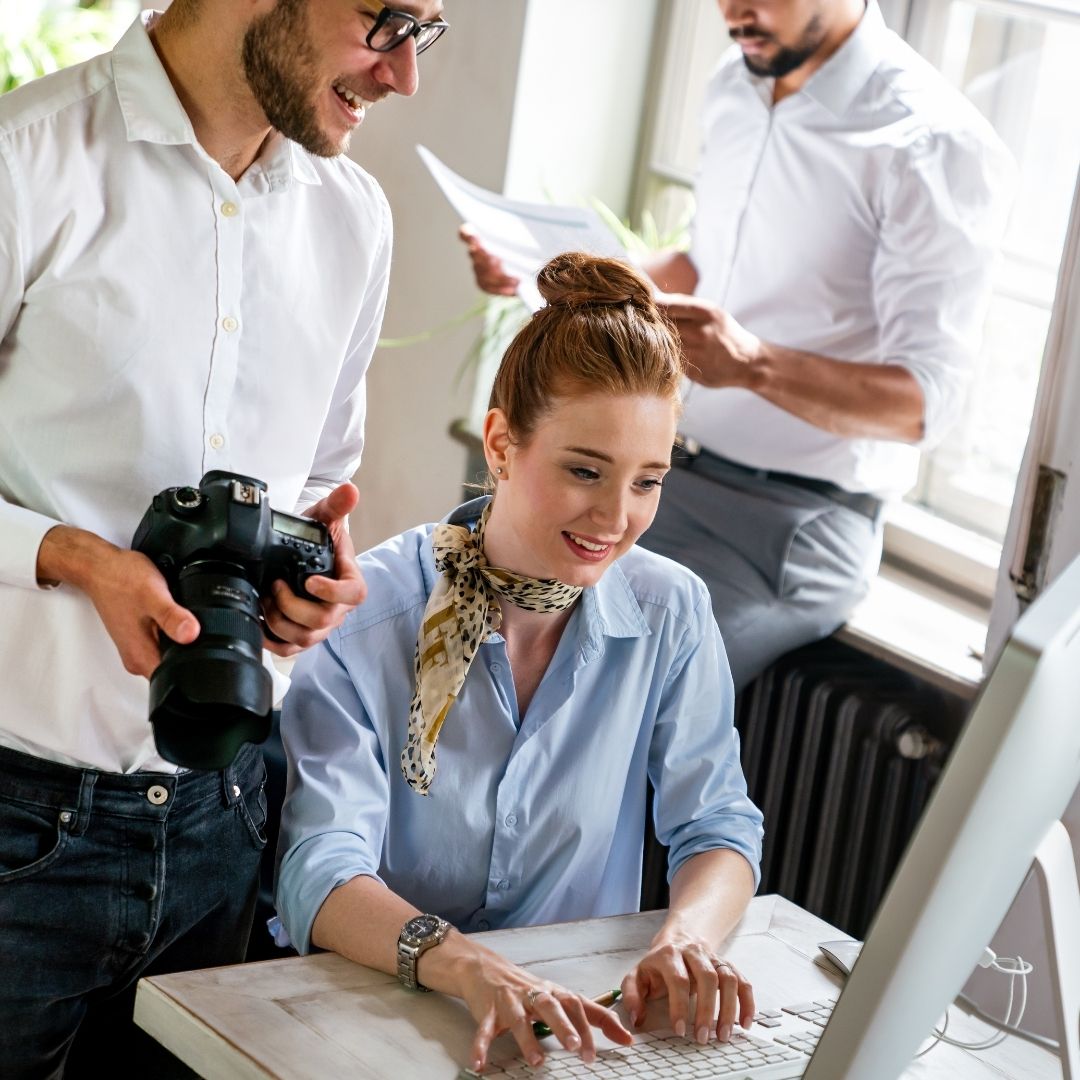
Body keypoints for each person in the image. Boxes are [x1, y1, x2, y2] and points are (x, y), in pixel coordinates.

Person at [0, 0, 449, 1074]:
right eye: (387, 19)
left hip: (228, 816)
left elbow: (323, 479)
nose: (403, 76)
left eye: (427, 32)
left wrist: (316, 584)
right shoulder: (26, 162)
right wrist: (71, 558)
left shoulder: (355, 217)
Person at [274, 253, 764, 1074]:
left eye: (648, 482)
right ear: (502, 444)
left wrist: (686, 940)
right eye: (585, 471)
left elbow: (717, 826)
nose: (616, 517)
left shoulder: (671, 611)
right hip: (381, 1011)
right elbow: (317, 870)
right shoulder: (368, 614)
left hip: (582, 1033)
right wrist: (468, 966)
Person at [461, 0, 1016, 692]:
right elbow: (706, 267)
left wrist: (754, 366)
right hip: (663, 478)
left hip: (789, 525)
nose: (734, 11)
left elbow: (925, 406)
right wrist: (556, 275)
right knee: (462, 618)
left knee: (595, 692)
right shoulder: (735, 83)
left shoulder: (935, 143)